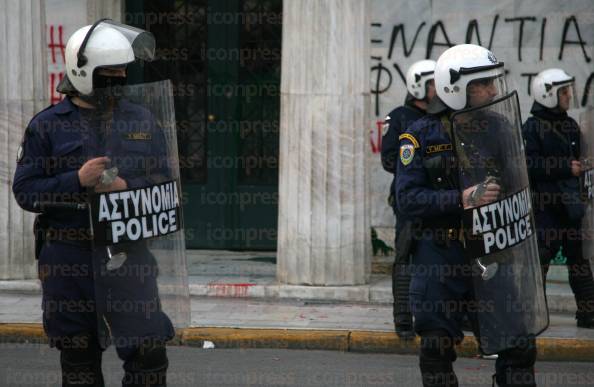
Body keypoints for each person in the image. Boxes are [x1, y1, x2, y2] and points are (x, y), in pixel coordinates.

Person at [13, 20, 175, 386]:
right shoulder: (48, 126)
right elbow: (26, 191)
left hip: (127, 254)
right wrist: (77, 181)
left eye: (122, 71)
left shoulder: (141, 119)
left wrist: (126, 185)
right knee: (80, 364)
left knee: (149, 356)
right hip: (70, 261)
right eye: (109, 72)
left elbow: (165, 180)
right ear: (82, 72)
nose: (118, 78)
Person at [396, 44, 545, 387]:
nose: (493, 90)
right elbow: (408, 199)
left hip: (491, 251)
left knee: (518, 345)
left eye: (492, 82)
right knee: (436, 347)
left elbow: (519, 183)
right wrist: (462, 198)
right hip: (440, 255)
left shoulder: (500, 129)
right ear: (457, 86)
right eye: (484, 84)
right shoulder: (419, 136)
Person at [522, 68, 594, 328]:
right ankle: (532, 316)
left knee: (580, 264)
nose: (568, 96)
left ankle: (588, 313)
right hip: (547, 208)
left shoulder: (569, 124)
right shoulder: (532, 128)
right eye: (563, 91)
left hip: (571, 207)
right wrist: (567, 167)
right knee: (540, 262)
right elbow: (529, 166)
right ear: (548, 93)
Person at [381, 59, 436, 339]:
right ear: (419, 86)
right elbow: (390, 159)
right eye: (432, 83)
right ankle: (403, 320)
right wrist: (424, 166)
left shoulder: (445, 116)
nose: (438, 88)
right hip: (410, 200)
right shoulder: (399, 117)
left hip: (440, 200)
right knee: (405, 258)